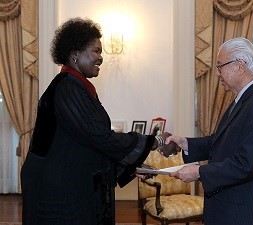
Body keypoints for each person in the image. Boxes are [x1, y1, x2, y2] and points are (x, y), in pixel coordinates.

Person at [20, 17, 172, 225]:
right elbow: (99, 137)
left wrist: (132, 167)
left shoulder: (77, 86)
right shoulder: (67, 87)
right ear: (75, 55)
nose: (101, 57)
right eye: (96, 51)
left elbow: (87, 143)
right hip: (59, 187)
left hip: (69, 177)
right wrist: (155, 141)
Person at [164, 37, 253, 225]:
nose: (217, 73)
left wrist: (199, 172)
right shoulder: (246, 99)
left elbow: (246, 164)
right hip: (232, 209)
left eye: (220, 66)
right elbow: (220, 141)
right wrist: (186, 143)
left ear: (240, 66)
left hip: (245, 214)